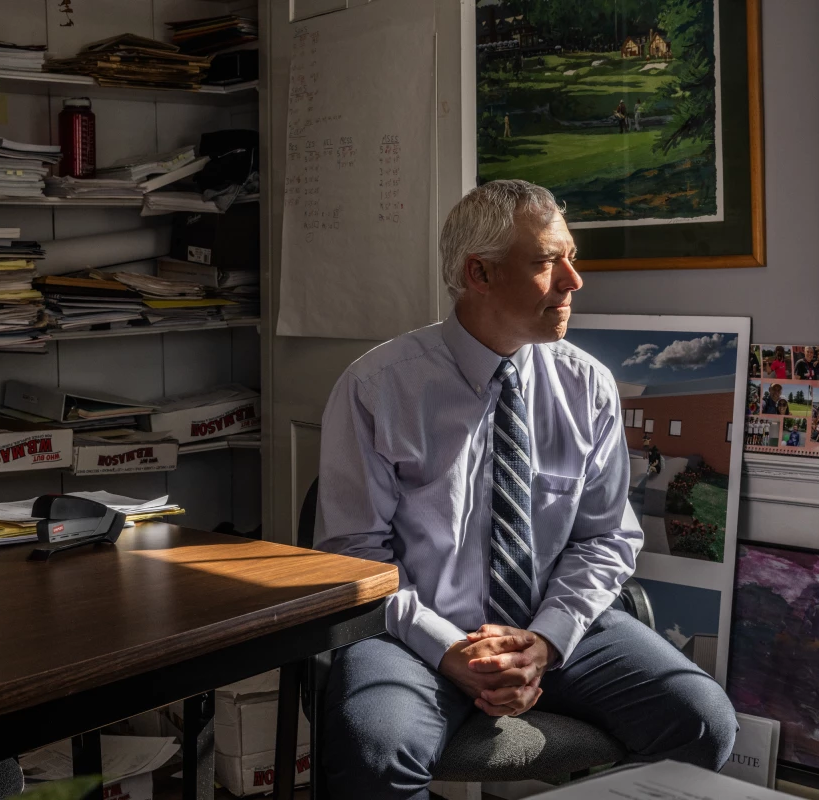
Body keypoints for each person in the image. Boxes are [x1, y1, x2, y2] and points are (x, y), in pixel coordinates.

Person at [315, 179, 737, 800]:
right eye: (546, 262)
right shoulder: (378, 388)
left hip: (555, 626)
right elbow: (355, 559)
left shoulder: (587, 386)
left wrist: (545, 641)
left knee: (702, 720)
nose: (574, 280)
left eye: (571, 257)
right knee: (377, 751)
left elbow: (606, 539)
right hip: (411, 631)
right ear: (479, 273)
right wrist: (449, 648)